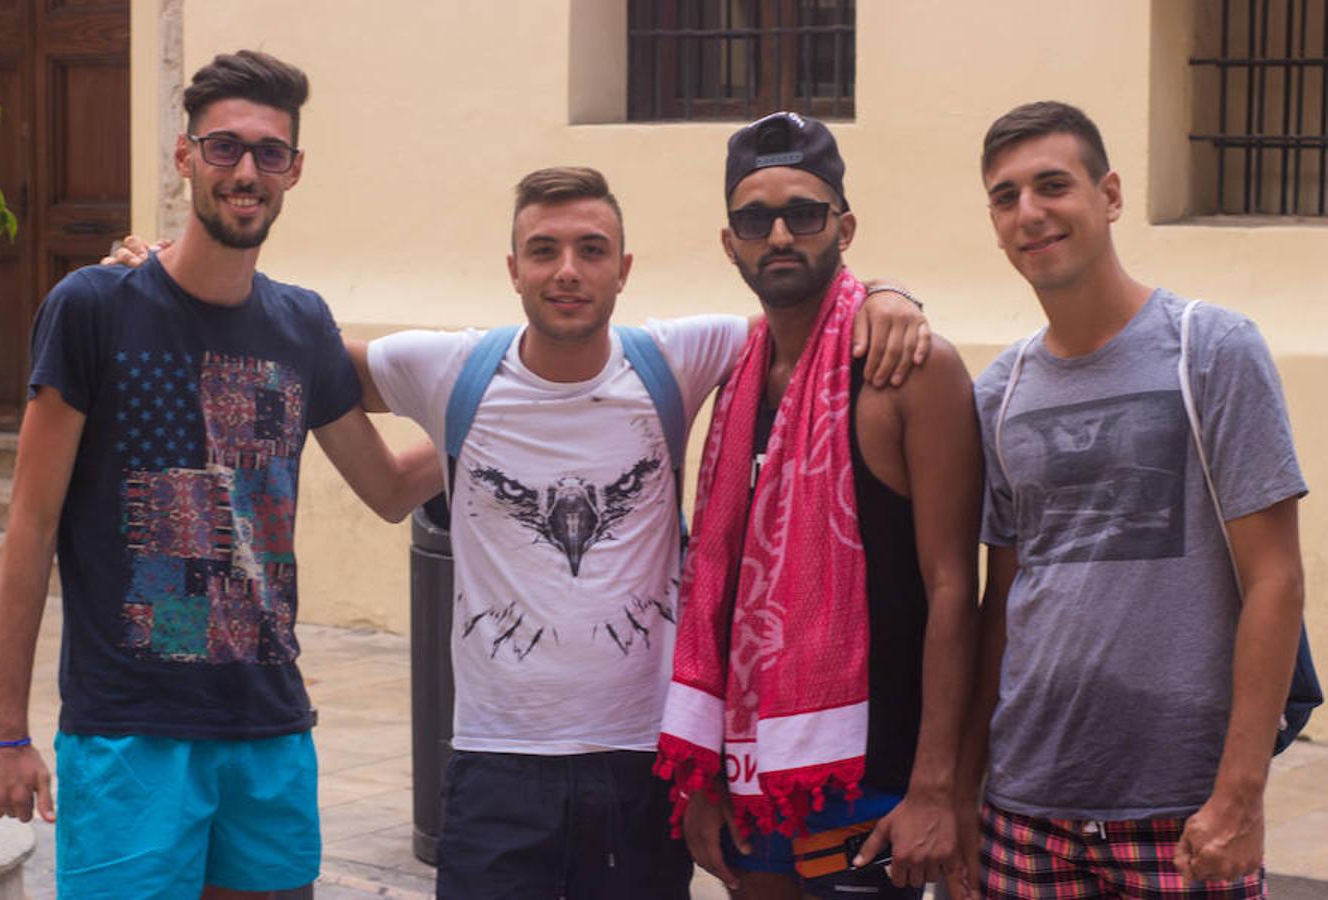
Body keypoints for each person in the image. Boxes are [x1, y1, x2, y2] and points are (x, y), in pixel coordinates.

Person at [352, 164, 930, 899]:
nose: (568, 271)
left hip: (642, 763)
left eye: (592, 250)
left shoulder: (674, 359)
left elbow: (804, 314)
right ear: (513, 269)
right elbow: (315, 366)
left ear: (623, 270)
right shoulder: (451, 368)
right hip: (498, 760)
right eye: (544, 250)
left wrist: (887, 291)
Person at [0, 50, 440, 899]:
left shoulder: (302, 324)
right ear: (185, 156)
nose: (247, 171)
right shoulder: (93, 308)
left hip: (268, 727)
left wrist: (504, 410)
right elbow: (32, 526)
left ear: (294, 170)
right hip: (129, 732)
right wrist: (3, 731)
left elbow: (387, 489)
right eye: (225, 148)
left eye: (270, 153)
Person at [958, 100, 1307, 900]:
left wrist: (1239, 796)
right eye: (1005, 198)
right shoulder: (998, 393)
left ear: (1109, 196)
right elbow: (1002, 596)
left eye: (1053, 185)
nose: (1030, 214)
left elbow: (1275, 580)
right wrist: (968, 788)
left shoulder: (1211, 350)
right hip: (1027, 809)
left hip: (1183, 811)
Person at [656, 111, 982, 899]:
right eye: (753, 219)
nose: (778, 236)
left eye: (803, 213)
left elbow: (952, 589)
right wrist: (703, 779)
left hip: (873, 781)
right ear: (728, 241)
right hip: (752, 773)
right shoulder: (733, 373)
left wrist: (938, 787)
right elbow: (722, 589)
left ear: (844, 226)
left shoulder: (912, 369)